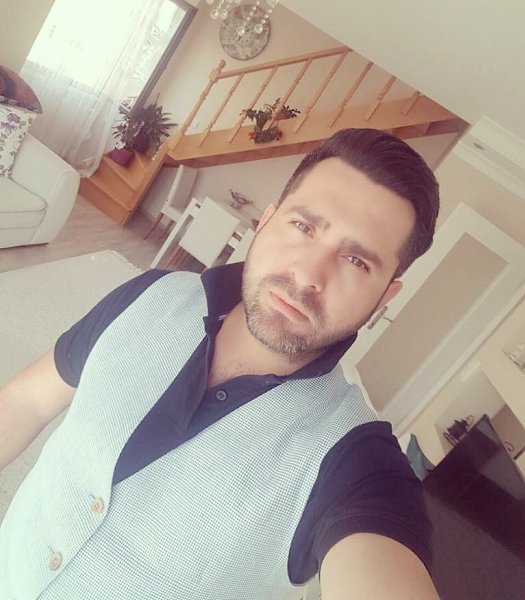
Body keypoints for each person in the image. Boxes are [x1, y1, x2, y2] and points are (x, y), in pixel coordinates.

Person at [0, 128, 440, 599]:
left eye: (356, 261)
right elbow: (27, 400)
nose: (308, 274)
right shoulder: (149, 294)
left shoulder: (356, 461)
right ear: (266, 220)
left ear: (384, 298)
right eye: (303, 227)